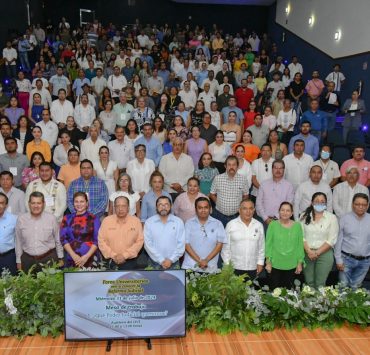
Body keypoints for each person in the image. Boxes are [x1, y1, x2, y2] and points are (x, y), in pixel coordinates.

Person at [15, 191, 64, 273]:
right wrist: (18, 260)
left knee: (50, 285)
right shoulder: (21, 219)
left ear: (43, 204)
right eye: (33, 203)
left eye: (39, 203)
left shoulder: (51, 218)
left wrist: (60, 257)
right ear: (29, 204)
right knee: (28, 285)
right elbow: (18, 241)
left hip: (48, 258)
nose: (36, 206)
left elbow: (57, 239)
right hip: (27, 260)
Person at [300, 192, 339, 289]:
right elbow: (300, 236)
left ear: (326, 204)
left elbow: (332, 240)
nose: (319, 203)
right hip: (306, 253)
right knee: (309, 283)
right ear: (312, 203)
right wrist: (309, 251)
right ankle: (309, 303)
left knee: (320, 283)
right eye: (317, 201)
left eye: (322, 202)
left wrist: (316, 253)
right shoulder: (303, 216)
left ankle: (320, 303)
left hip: (324, 253)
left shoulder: (332, 218)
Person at [222, 199, 265, 280]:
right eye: (245, 208)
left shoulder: (259, 225)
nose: (248, 211)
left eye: (251, 208)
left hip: (253, 267)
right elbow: (225, 248)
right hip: (234, 267)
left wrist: (260, 263)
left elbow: (261, 247)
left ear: (254, 210)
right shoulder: (231, 225)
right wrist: (227, 265)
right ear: (239, 210)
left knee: (251, 292)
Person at [265, 202, 304, 290]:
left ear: (292, 213)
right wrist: (268, 262)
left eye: (288, 210)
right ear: (279, 211)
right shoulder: (272, 225)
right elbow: (268, 244)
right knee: (274, 294)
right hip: (275, 265)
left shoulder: (297, 226)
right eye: (282, 210)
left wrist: (299, 263)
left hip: (292, 265)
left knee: (290, 294)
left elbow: (299, 246)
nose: (285, 212)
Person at [335, 193, 370, 289]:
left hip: (365, 262)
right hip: (346, 259)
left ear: (367, 205)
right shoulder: (344, 218)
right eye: (357, 204)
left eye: (363, 205)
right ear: (352, 205)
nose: (360, 207)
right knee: (343, 287)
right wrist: (338, 259)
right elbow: (338, 240)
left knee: (355, 288)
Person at [182, 197, 226, 273]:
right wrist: (199, 260)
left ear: (210, 209)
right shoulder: (189, 223)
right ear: (195, 210)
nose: (203, 210)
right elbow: (186, 244)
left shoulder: (218, 224)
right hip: (190, 267)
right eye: (200, 208)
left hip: (210, 267)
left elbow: (219, 245)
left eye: (206, 207)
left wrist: (206, 260)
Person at [99, 195, 144, 270]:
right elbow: (101, 241)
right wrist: (113, 255)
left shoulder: (136, 221)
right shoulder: (106, 221)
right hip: (109, 261)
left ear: (128, 208)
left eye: (123, 206)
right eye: (117, 206)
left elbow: (139, 241)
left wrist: (125, 255)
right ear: (114, 208)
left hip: (130, 262)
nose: (120, 209)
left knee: (128, 281)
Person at [144, 195, 185, 269]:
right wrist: (161, 259)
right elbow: (148, 244)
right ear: (156, 207)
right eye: (160, 205)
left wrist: (171, 260)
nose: (163, 207)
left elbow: (181, 244)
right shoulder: (149, 222)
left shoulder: (178, 222)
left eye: (166, 204)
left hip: (174, 262)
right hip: (154, 262)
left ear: (171, 206)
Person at [60, 192, 100, 268]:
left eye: (82, 201)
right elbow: (63, 239)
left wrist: (86, 257)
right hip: (71, 258)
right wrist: (74, 256)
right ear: (73, 203)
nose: (79, 204)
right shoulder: (67, 218)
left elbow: (97, 240)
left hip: (90, 258)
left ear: (87, 203)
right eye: (76, 201)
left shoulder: (94, 218)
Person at [210, 156, 249, 227]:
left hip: (236, 216)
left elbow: (246, 195)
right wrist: (218, 203)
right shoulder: (218, 178)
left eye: (234, 165)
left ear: (237, 166)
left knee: (234, 237)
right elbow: (212, 193)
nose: (231, 167)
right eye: (229, 165)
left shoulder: (243, 179)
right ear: (225, 166)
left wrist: (241, 206)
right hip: (219, 215)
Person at [256, 159, 294, 226]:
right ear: (272, 169)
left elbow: (289, 204)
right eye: (275, 168)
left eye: (280, 168)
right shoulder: (264, 184)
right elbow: (258, 203)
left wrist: (276, 217)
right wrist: (266, 218)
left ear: (283, 170)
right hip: (263, 221)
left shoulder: (289, 186)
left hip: (281, 221)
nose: (278, 170)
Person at [0, 192, 17, 275]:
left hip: (8, 258)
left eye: (1, 203)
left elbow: (19, 240)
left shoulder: (14, 219)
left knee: (11, 286)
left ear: (6, 205)